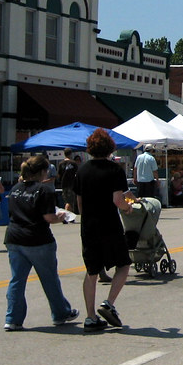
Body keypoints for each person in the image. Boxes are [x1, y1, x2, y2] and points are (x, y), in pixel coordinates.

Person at [3, 154, 79, 331]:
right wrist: (61, 217)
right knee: (49, 278)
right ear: (43, 171)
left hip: (14, 237)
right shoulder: (44, 190)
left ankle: (12, 318)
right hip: (37, 239)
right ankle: (60, 313)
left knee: (17, 280)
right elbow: (49, 217)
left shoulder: (15, 189)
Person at [75, 128, 134, 332]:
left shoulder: (82, 170)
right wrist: (127, 208)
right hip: (109, 223)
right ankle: (108, 303)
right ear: (110, 148)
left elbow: (79, 203)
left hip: (89, 225)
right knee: (123, 264)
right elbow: (117, 199)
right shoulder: (115, 170)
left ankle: (90, 317)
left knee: (91, 271)